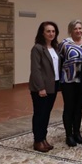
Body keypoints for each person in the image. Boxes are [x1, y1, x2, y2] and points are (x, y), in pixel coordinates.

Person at [29, 21, 60, 153]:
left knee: (46, 114)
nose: (51, 33)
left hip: (53, 85)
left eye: (53, 31)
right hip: (41, 88)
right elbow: (36, 69)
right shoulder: (37, 48)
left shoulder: (55, 47)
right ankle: (37, 140)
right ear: (42, 33)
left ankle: (43, 138)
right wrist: (41, 87)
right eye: (48, 31)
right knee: (40, 114)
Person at [58, 19, 82, 147]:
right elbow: (59, 62)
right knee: (69, 107)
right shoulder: (64, 44)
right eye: (75, 28)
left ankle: (77, 133)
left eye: (80, 28)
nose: (78, 31)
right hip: (68, 81)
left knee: (79, 108)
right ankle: (68, 135)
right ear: (71, 30)